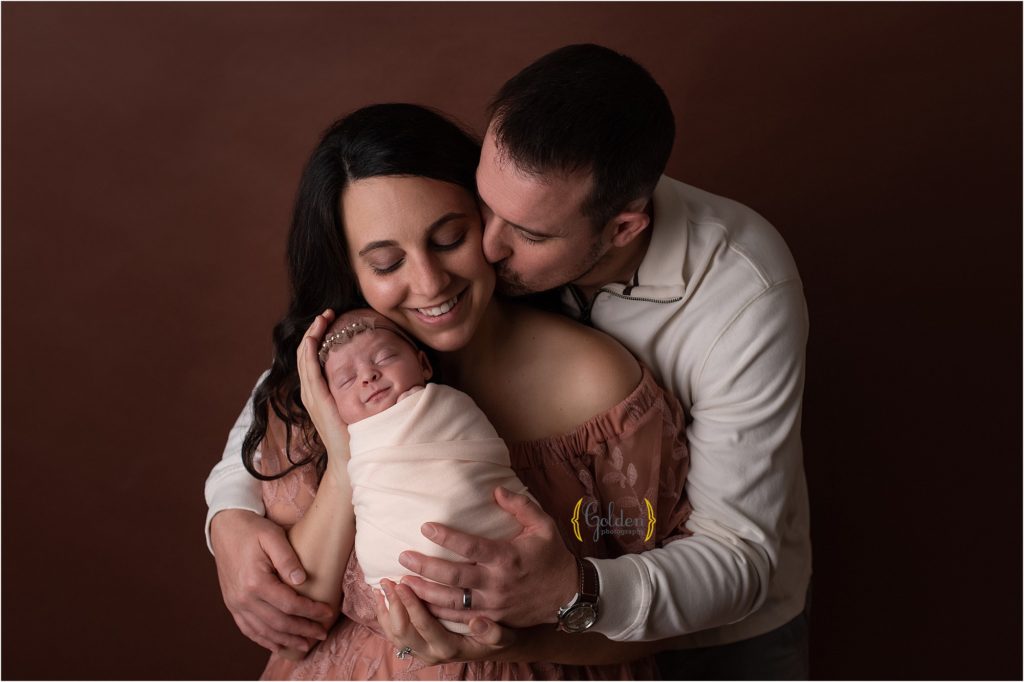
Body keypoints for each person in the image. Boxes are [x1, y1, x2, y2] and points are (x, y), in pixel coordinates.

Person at [208, 44, 811, 679]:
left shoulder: (739, 296)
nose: (487, 250)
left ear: (621, 231)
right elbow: (288, 398)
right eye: (483, 210)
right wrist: (229, 511)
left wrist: (564, 596)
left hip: (705, 623)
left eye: (453, 236)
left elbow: (733, 554)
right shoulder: (385, 330)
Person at [313, 307, 532, 634]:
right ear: (330, 404)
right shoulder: (355, 442)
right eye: (346, 379)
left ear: (424, 364)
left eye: (384, 358)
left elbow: (481, 463)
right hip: (401, 579)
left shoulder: (447, 406)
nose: (367, 376)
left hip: (495, 553)